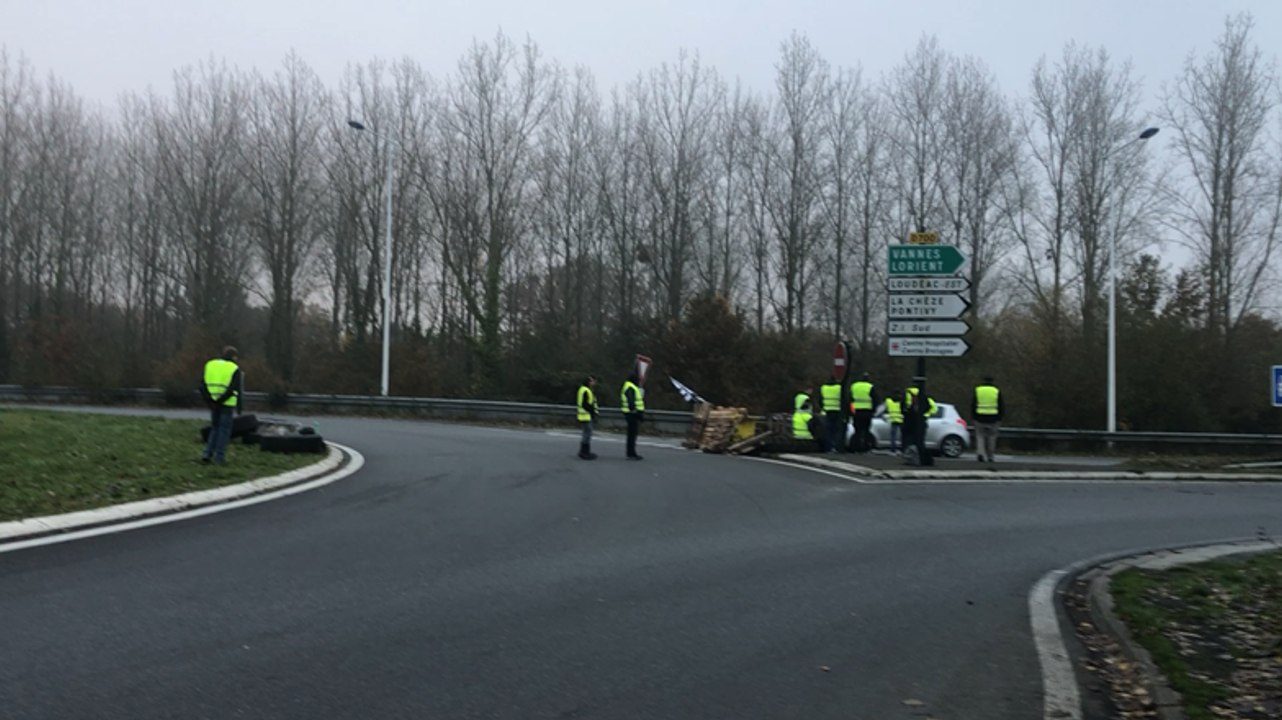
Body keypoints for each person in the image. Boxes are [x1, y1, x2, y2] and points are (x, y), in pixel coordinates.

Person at [200, 345, 243, 465]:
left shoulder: (210, 365)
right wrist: (223, 402)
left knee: (214, 428)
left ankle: (207, 454)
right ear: (234, 357)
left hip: (212, 404)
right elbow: (234, 389)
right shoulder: (234, 368)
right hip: (227, 404)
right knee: (224, 431)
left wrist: (210, 401)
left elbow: (202, 386)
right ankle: (219, 457)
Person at [972, 375, 1004, 462]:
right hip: (994, 418)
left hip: (979, 416)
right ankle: (990, 456)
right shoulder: (996, 391)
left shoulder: (978, 390)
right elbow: (1001, 405)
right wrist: (1000, 417)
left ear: (983, 380)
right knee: (992, 437)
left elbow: (973, 404)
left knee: (980, 437)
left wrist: (973, 416)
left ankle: (980, 453)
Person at [849, 372, 878, 453]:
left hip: (856, 412)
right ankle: (865, 448)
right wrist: (873, 411)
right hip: (867, 412)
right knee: (866, 430)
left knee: (857, 431)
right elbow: (875, 400)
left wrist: (851, 411)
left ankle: (855, 448)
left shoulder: (854, 386)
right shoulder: (870, 387)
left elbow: (850, 400)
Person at [621, 371, 646, 460]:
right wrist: (637, 413)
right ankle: (631, 453)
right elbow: (631, 402)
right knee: (632, 435)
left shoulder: (629, 386)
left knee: (631, 434)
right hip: (632, 414)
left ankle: (631, 452)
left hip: (630, 413)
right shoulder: (630, 387)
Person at [576, 375, 600, 460]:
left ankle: (584, 451)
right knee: (587, 434)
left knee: (586, 434)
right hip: (586, 415)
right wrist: (592, 412)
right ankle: (585, 453)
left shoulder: (584, 389)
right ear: (589, 381)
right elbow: (585, 404)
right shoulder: (586, 390)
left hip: (584, 415)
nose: (594, 383)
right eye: (593, 381)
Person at [819, 375, 843, 453]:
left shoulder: (824, 388)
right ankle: (836, 446)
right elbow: (843, 399)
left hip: (827, 411)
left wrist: (822, 407)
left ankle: (828, 447)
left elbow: (820, 400)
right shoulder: (839, 388)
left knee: (828, 430)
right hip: (837, 411)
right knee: (837, 430)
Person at [884, 388, 904, 454]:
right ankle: (902, 448)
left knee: (893, 436)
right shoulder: (902, 401)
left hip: (893, 420)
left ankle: (893, 449)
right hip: (901, 419)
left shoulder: (889, 401)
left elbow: (885, 408)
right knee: (903, 436)